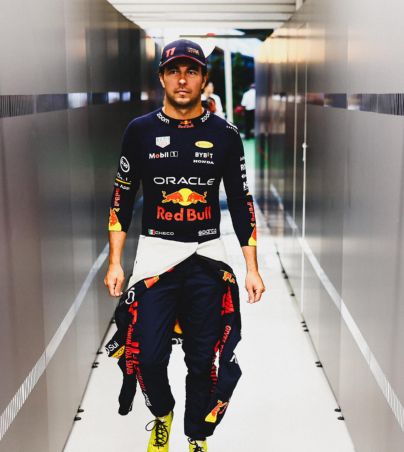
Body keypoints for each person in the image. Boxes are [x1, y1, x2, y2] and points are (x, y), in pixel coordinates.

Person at [104, 39, 265, 452]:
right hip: (157, 255)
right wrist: (116, 262)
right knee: (148, 355)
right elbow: (122, 196)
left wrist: (252, 267)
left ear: (203, 79)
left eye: (191, 71)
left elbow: (243, 202)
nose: (182, 78)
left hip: (207, 258)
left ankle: (196, 435)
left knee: (202, 359)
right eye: (174, 70)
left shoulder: (225, 135)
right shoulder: (139, 132)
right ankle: (162, 412)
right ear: (161, 77)